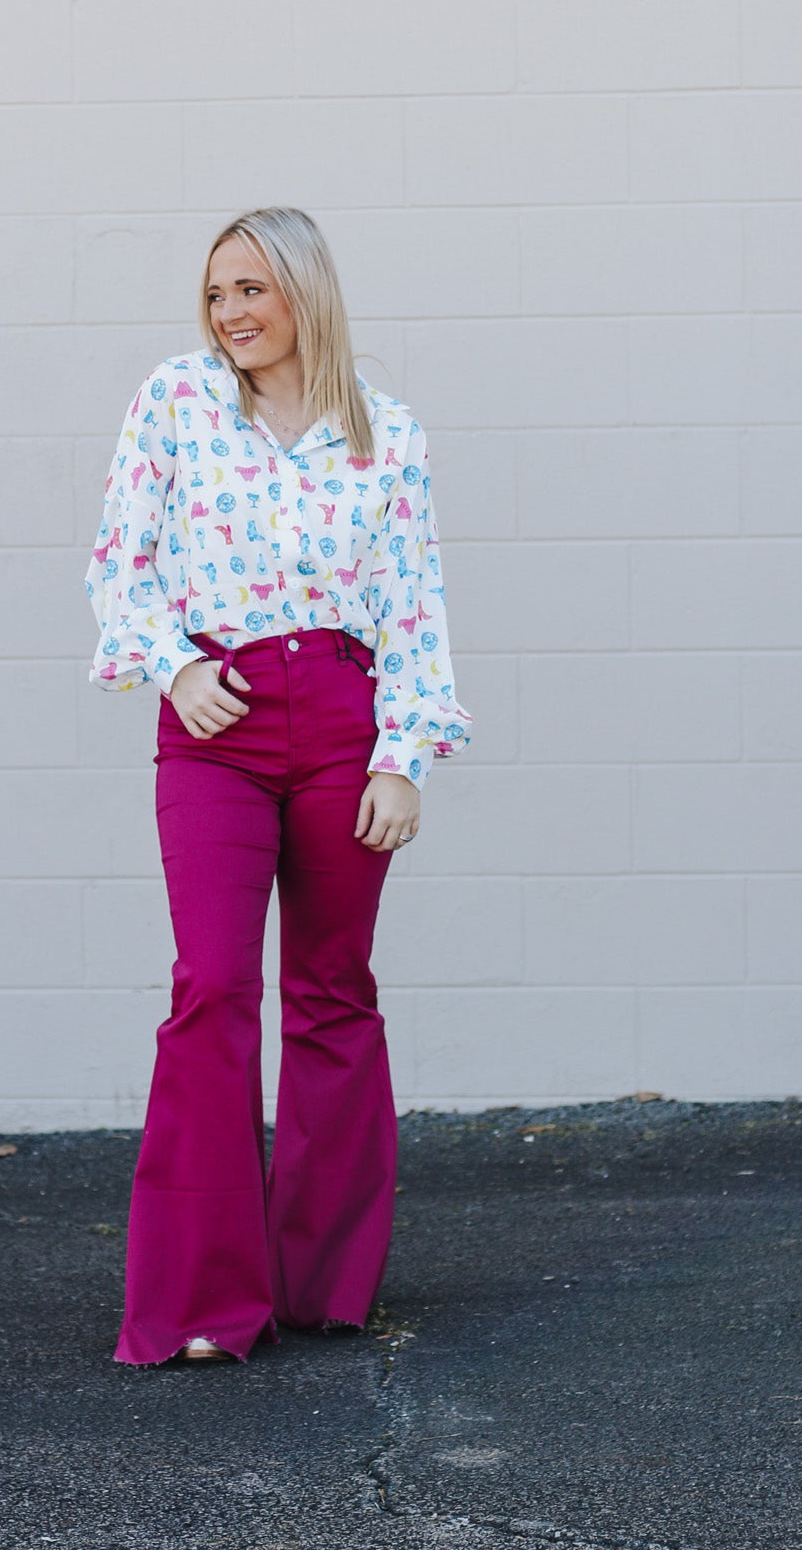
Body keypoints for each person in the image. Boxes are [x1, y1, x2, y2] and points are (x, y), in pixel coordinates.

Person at [83, 205, 472, 1367]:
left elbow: (412, 605)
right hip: (219, 722)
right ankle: (201, 1300)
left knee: (331, 988)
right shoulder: (175, 403)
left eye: (251, 289)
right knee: (211, 987)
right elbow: (120, 563)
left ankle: (323, 1282)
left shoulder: (385, 435)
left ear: (305, 290)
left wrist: (402, 756)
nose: (231, 314)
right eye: (216, 295)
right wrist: (178, 662)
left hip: (344, 721)